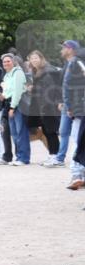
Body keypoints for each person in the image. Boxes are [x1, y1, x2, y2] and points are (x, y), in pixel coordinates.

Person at [24, 50, 62, 165]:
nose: (34, 60)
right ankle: (52, 155)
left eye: (36, 58)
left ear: (41, 58)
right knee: (47, 131)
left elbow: (49, 91)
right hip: (42, 106)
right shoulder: (38, 71)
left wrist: (46, 106)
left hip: (48, 106)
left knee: (51, 132)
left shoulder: (47, 71)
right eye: (32, 58)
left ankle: (56, 157)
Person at [52, 40, 85, 172]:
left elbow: (67, 86)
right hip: (74, 105)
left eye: (63, 47)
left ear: (70, 49)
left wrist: (70, 105)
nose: (61, 50)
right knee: (74, 136)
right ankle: (76, 168)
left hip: (78, 106)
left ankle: (76, 170)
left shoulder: (77, 62)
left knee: (77, 138)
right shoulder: (70, 63)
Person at [1, 53, 30, 166]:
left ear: (13, 62)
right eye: (4, 62)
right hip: (9, 103)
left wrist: (13, 107)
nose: (6, 63)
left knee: (21, 131)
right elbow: (8, 91)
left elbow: (17, 92)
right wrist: (2, 95)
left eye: (8, 61)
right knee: (14, 133)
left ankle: (24, 158)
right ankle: (19, 157)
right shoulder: (7, 75)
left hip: (18, 104)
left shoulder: (18, 73)